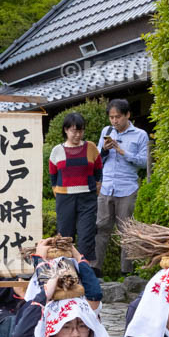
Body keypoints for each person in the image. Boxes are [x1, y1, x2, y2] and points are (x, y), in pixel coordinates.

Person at [95, 99, 149, 274]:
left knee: (126, 231)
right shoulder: (106, 131)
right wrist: (104, 149)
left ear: (127, 115)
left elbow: (144, 162)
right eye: (111, 117)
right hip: (106, 187)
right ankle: (96, 269)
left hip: (127, 188)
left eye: (117, 117)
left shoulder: (140, 135)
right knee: (101, 228)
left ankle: (127, 273)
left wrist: (123, 152)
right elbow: (96, 158)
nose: (114, 121)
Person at [49, 113, 103, 265]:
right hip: (64, 198)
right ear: (66, 130)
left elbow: (98, 169)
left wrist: (97, 186)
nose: (77, 134)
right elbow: (53, 175)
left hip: (87, 197)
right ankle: (66, 269)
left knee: (87, 234)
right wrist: (58, 191)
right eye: (74, 131)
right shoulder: (56, 151)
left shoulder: (91, 148)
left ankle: (87, 269)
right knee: (65, 234)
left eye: (80, 131)